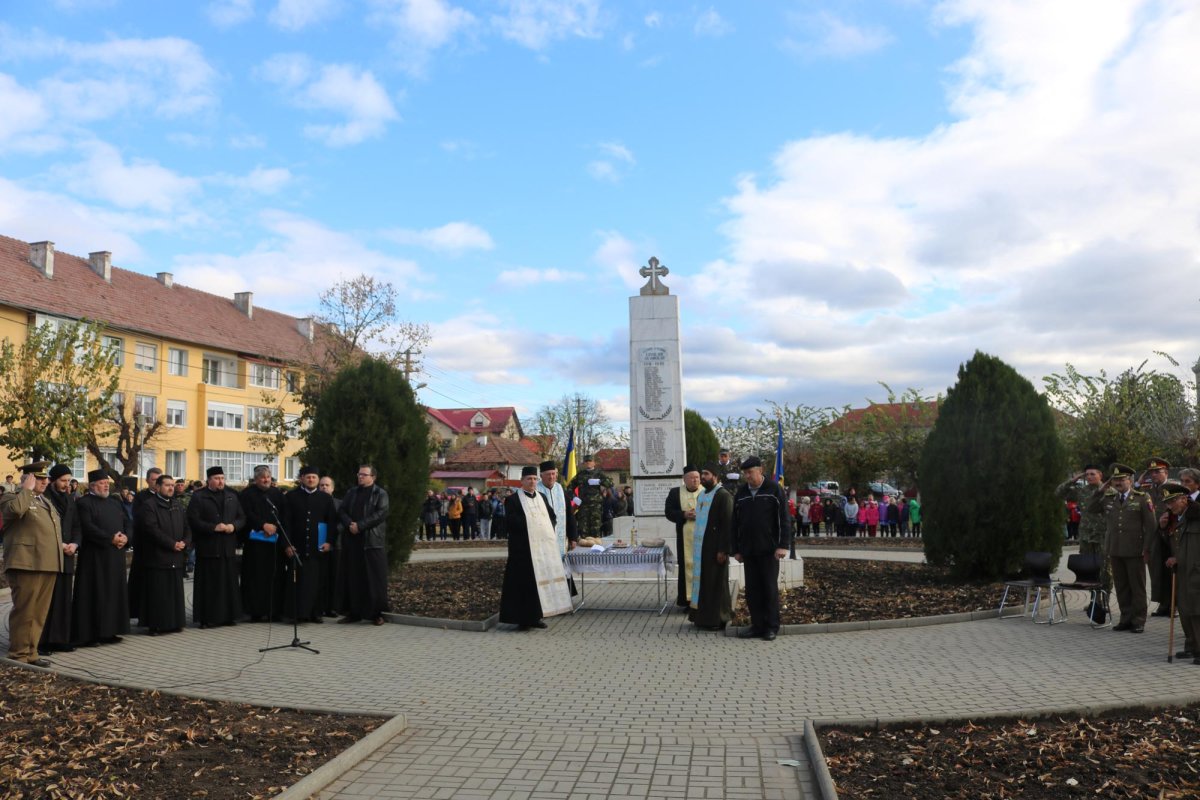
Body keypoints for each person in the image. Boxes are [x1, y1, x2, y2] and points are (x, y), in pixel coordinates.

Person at [1, 462, 62, 666]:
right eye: (40, 478)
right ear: (27, 479)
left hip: (47, 563)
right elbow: (15, 512)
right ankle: (18, 653)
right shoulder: (12, 497)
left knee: (38, 611)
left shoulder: (45, 501)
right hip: (26, 563)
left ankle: (31, 651)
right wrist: (26, 490)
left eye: (46, 479)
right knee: (25, 610)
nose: (45, 482)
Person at [499, 466, 572, 630]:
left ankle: (536, 617)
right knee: (523, 585)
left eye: (534, 479)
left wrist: (544, 528)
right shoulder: (513, 500)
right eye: (528, 479)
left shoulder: (542, 498)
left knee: (538, 584)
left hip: (541, 550)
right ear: (522, 481)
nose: (532, 482)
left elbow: (552, 517)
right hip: (522, 551)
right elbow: (511, 521)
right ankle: (522, 620)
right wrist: (533, 524)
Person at [1089, 462, 1156, 633]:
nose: (1118, 483)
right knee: (1121, 586)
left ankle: (1139, 620)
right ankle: (1125, 618)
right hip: (1115, 549)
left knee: (1137, 587)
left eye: (1122, 479)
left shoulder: (1142, 497)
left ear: (1130, 480)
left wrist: (1146, 548)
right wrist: (1100, 490)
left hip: (1135, 549)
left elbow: (1151, 526)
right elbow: (1091, 508)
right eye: (1115, 480)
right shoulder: (1109, 498)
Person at [731, 456, 790, 641]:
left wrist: (782, 545)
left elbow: (784, 519)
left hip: (769, 550)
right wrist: (736, 549)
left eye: (750, 472)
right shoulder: (741, 493)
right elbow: (735, 523)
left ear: (760, 470)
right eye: (745, 473)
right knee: (752, 591)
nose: (748, 476)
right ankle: (757, 625)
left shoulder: (774, 489)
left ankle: (771, 627)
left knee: (769, 589)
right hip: (749, 550)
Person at [72, 469, 130, 647]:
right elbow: (88, 527)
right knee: (95, 594)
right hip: (95, 557)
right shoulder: (84, 503)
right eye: (102, 483)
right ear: (92, 485)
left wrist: (126, 537)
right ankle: (91, 635)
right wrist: (110, 538)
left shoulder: (114, 502)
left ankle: (110, 631)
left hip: (115, 556)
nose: (106, 485)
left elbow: (128, 522)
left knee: (114, 594)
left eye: (107, 483)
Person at [187, 466, 245, 628]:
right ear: (209, 480)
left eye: (222, 478)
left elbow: (242, 517)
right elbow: (193, 520)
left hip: (227, 548)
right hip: (209, 548)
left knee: (228, 585)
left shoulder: (232, 496)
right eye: (217, 478)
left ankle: (229, 616)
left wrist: (234, 526)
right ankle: (206, 618)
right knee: (209, 586)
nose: (220, 481)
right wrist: (213, 527)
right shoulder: (199, 497)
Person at [281, 466, 340, 623]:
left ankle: (315, 612)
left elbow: (332, 523)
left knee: (316, 581)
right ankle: (296, 614)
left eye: (314, 477)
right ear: (302, 479)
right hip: (297, 546)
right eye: (308, 477)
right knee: (296, 581)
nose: (311, 480)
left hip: (317, 547)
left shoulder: (325, 498)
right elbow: (286, 523)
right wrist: (287, 545)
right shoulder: (291, 497)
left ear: (318, 479)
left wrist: (329, 542)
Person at [134, 474, 189, 635]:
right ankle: (156, 625)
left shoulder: (177, 505)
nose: (171, 488)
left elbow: (187, 526)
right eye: (167, 485)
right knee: (158, 593)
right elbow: (151, 530)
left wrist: (185, 542)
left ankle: (174, 622)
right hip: (157, 556)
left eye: (172, 485)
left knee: (174, 592)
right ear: (157, 487)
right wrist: (172, 544)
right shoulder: (149, 506)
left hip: (176, 556)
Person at [337, 464, 390, 626]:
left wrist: (360, 526)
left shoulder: (380, 493)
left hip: (371, 541)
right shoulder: (352, 492)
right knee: (353, 577)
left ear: (373, 477)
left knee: (374, 579)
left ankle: (376, 614)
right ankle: (354, 612)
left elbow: (381, 514)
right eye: (359, 474)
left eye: (364, 474)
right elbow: (342, 510)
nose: (360, 477)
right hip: (352, 540)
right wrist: (349, 524)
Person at [37, 464, 81, 655]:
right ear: (53, 480)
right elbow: (40, 528)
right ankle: (42, 641)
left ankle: (60, 639)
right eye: (63, 481)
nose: (66, 484)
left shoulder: (70, 499)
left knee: (63, 599)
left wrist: (75, 544)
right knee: (47, 600)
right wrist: (60, 544)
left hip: (67, 556)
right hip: (49, 556)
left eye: (69, 480)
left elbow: (77, 526)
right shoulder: (44, 498)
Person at [239, 465, 285, 622]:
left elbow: (284, 513)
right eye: (262, 477)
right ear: (256, 479)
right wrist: (262, 525)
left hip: (274, 543)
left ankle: (275, 610)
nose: (266, 480)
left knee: (275, 576)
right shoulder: (246, 494)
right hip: (255, 544)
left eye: (268, 477)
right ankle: (255, 611)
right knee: (255, 577)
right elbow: (246, 514)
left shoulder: (277, 494)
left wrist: (274, 527)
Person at [690, 464, 733, 630]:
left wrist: (723, 549)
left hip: (715, 549)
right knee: (703, 583)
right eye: (702, 474)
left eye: (706, 474)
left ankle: (718, 619)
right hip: (701, 548)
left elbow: (727, 524)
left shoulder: (723, 495)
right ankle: (701, 618)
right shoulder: (702, 495)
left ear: (715, 476)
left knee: (716, 584)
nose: (702, 477)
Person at [1162, 482, 1200, 662]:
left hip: (1196, 570)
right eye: (1167, 503)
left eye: (1172, 502)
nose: (1169, 506)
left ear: (1184, 499)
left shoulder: (1197, 515)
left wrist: (1180, 559)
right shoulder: (1181, 518)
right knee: (1185, 609)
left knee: (1196, 610)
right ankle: (1192, 645)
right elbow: (1179, 544)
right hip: (1184, 570)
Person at [1057, 464, 1111, 590]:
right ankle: (1093, 600)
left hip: (1102, 535)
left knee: (1105, 569)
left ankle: (1103, 600)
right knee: (1089, 568)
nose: (1089, 477)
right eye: (1087, 474)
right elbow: (1059, 492)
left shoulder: (1109, 491)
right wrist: (1073, 480)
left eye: (1093, 474)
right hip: (1086, 535)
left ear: (1100, 475)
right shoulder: (1082, 491)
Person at [664, 466, 704, 608]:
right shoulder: (675, 493)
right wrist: (683, 514)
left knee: (702, 567)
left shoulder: (706, 492)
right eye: (692, 478)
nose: (695, 480)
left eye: (698, 477)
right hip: (684, 537)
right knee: (686, 566)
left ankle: (702, 600)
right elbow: (668, 512)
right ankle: (687, 601)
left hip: (704, 537)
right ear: (684, 479)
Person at [128, 466, 163, 621]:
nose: (156, 483)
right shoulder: (142, 497)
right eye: (154, 480)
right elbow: (138, 518)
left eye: (159, 480)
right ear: (148, 480)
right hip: (144, 544)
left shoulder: (167, 497)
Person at [1143, 457, 1173, 617]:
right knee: (1157, 571)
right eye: (1151, 472)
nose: (1153, 475)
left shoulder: (1173, 487)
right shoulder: (1149, 490)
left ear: (1166, 472)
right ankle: (1163, 603)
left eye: (1157, 471)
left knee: (1170, 571)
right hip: (1154, 535)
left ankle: (1173, 605)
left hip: (1169, 535)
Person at [566, 454, 613, 539]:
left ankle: (596, 551)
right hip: (583, 507)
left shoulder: (599, 474)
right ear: (584, 463)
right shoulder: (580, 475)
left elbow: (610, 483)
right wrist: (574, 498)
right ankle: (584, 551)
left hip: (596, 507)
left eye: (590, 461)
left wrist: (599, 481)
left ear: (594, 463)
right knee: (583, 531)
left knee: (596, 531)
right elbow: (568, 488)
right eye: (586, 461)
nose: (588, 463)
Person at [536, 460, 574, 557]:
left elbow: (570, 515)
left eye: (553, 474)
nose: (551, 477)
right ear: (541, 476)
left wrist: (572, 537)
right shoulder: (535, 491)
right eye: (548, 474)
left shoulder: (561, 490)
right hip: (542, 539)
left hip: (560, 539)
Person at [318, 475, 341, 617]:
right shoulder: (314, 502)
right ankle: (319, 607)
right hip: (318, 545)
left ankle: (332, 607)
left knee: (334, 577)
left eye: (327, 485)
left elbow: (343, 522)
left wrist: (332, 535)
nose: (324, 487)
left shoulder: (340, 504)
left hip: (336, 546)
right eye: (321, 485)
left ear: (332, 488)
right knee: (320, 577)